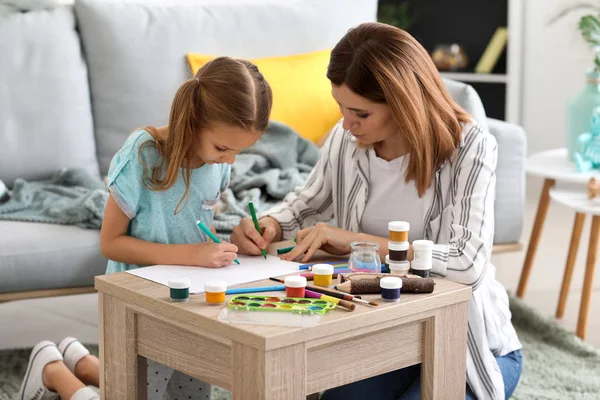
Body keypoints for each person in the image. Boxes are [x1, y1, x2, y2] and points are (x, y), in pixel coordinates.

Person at [230, 22, 522, 400]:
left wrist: (360, 244)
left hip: (466, 341)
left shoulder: (470, 147)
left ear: (403, 102)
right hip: (383, 332)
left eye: (361, 114)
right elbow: (306, 204)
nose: (347, 123)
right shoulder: (346, 139)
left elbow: (468, 263)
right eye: (340, 108)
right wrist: (268, 224)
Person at [17, 57, 273, 400]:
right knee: (135, 392)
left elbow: (200, 233)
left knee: (188, 393)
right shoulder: (143, 153)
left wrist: (231, 245)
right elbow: (110, 243)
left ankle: (83, 362)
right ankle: (52, 371)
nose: (229, 161)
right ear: (194, 120)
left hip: (188, 304)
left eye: (238, 152)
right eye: (223, 148)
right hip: (137, 305)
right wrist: (192, 255)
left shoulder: (217, 166)